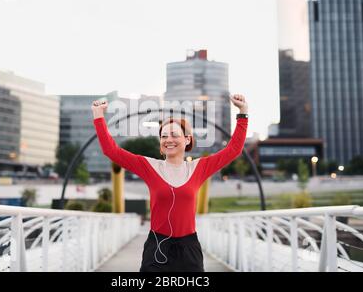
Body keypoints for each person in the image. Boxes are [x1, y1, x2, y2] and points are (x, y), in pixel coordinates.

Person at [91, 94, 249, 272]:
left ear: (187, 139)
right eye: (163, 136)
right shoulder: (149, 166)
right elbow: (111, 150)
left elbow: (234, 150)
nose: (168, 140)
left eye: (174, 134)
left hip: (189, 250)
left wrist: (243, 113)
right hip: (157, 248)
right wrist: (98, 116)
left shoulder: (198, 168)